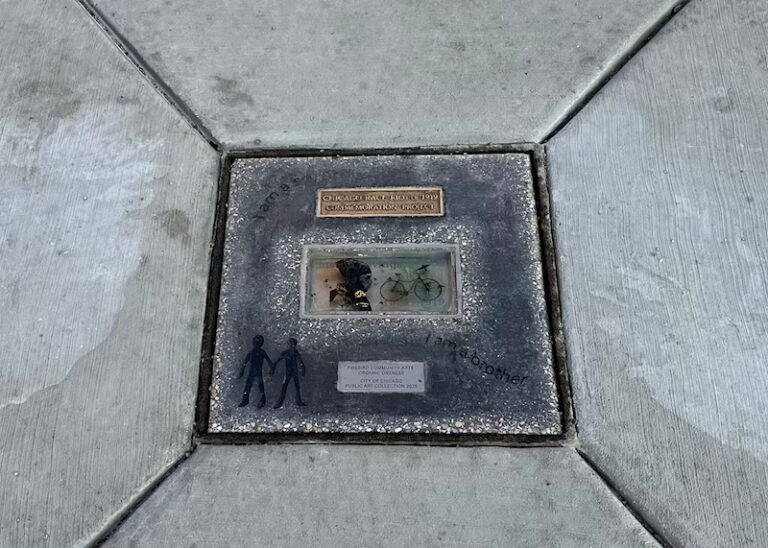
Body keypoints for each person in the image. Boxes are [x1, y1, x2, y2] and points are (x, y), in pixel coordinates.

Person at [237, 335, 274, 408]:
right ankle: (247, 400)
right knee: (250, 385)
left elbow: (245, 362)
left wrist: (272, 368)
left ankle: (261, 401)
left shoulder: (257, 351)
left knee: (253, 386)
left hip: (255, 371)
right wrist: (242, 371)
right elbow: (245, 362)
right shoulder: (255, 351)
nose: (256, 343)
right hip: (254, 371)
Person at [272, 338, 307, 408]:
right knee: (284, 386)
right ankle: (280, 402)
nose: (293, 346)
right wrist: (273, 368)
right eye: (292, 345)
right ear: (289, 345)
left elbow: (300, 362)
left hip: (294, 371)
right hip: (288, 372)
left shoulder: (295, 353)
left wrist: (303, 369)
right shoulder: (286, 353)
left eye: (294, 345)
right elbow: (277, 361)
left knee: (296, 386)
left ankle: (298, 401)